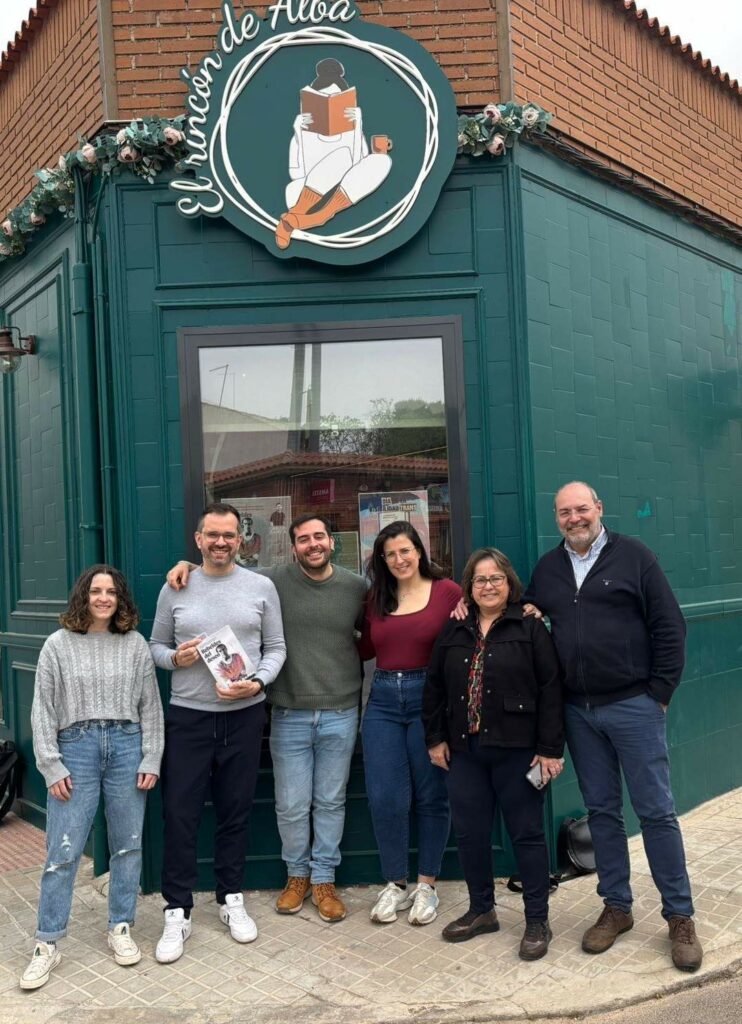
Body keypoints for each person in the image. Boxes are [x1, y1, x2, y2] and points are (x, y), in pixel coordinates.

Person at [525, 481, 702, 972]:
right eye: (564, 512)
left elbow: (670, 627)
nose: (574, 518)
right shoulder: (549, 567)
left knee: (656, 812)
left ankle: (680, 916)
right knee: (602, 812)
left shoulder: (635, 557)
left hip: (633, 706)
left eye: (582, 509)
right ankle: (617, 907)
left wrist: (659, 695)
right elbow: (529, 611)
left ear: (599, 509)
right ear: (556, 518)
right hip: (579, 712)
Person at [166, 513, 367, 924]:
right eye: (303, 539)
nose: (313, 545)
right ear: (293, 547)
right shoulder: (272, 581)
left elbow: (391, 614)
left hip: (340, 710)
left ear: (332, 542)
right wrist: (186, 566)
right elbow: (220, 569)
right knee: (291, 805)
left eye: (319, 537)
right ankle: (297, 877)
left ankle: (324, 880)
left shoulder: (356, 587)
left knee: (330, 801)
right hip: (287, 711)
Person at [150, 502, 286, 963]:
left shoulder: (261, 586)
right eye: (213, 535)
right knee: (181, 813)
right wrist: (176, 660)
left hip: (245, 715)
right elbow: (155, 647)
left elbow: (277, 647)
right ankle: (177, 909)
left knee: (235, 811)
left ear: (241, 539)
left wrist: (260, 681)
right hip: (188, 717)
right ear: (198, 539)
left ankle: (230, 898)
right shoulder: (176, 587)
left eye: (230, 535)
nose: (222, 542)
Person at [21, 566, 164, 990]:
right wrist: (51, 763)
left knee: (127, 846)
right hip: (75, 748)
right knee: (62, 850)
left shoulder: (135, 644)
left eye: (112, 592)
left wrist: (150, 757)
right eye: (96, 591)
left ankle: (120, 926)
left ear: (121, 599)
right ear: (82, 596)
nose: (103, 598)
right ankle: (47, 941)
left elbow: (151, 706)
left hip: (126, 745)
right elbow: (41, 708)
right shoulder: (57, 645)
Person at [423, 548, 564, 959]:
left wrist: (550, 749)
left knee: (527, 834)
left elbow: (551, 689)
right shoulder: (454, 629)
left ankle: (537, 919)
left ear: (509, 584)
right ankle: (482, 910)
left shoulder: (530, 626)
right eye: (480, 580)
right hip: (465, 752)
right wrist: (435, 739)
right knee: (471, 834)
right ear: (469, 587)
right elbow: (433, 688)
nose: (488, 586)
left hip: (518, 751)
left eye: (496, 579)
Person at [360, 520, 461, 926]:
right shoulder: (376, 598)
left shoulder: (448, 592)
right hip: (383, 698)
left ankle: (427, 886)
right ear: (382, 561)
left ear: (419, 551)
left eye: (405, 550)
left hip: (430, 696)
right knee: (385, 796)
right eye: (390, 554)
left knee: (431, 793)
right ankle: (395, 884)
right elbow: (363, 646)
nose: (399, 559)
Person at [274, 57, 392, 250]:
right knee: (342, 156)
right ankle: (303, 213)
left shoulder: (351, 131)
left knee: (382, 161)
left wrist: (357, 127)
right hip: (301, 194)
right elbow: (296, 173)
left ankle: (305, 219)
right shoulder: (303, 129)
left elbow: (356, 167)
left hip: (342, 191)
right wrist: (298, 133)